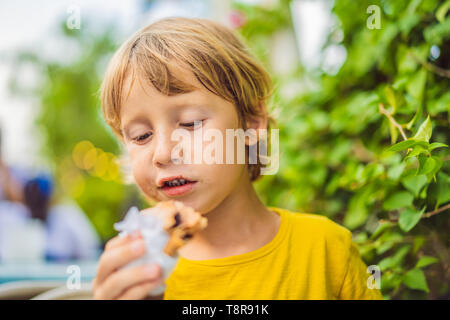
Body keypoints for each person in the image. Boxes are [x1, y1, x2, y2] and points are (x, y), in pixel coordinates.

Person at [92, 17, 383, 300]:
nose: (163, 153)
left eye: (190, 123)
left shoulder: (326, 251)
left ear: (252, 121)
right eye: (141, 136)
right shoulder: (137, 274)